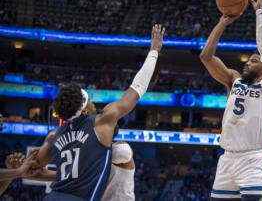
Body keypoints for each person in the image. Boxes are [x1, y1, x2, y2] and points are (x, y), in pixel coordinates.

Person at [32, 24, 165, 201]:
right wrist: (154, 51)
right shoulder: (102, 122)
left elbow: (32, 169)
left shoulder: (53, 136)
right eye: (89, 99)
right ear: (85, 109)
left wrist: (17, 169)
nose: (93, 102)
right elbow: (137, 87)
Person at [199, 0, 262, 200]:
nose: (247, 63)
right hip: (227, 159)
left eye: (254, 61)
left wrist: (259, 13)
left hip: (252, 160)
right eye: (248, 60)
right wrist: (223, 22)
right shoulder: (233, 79)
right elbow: (206, 57)